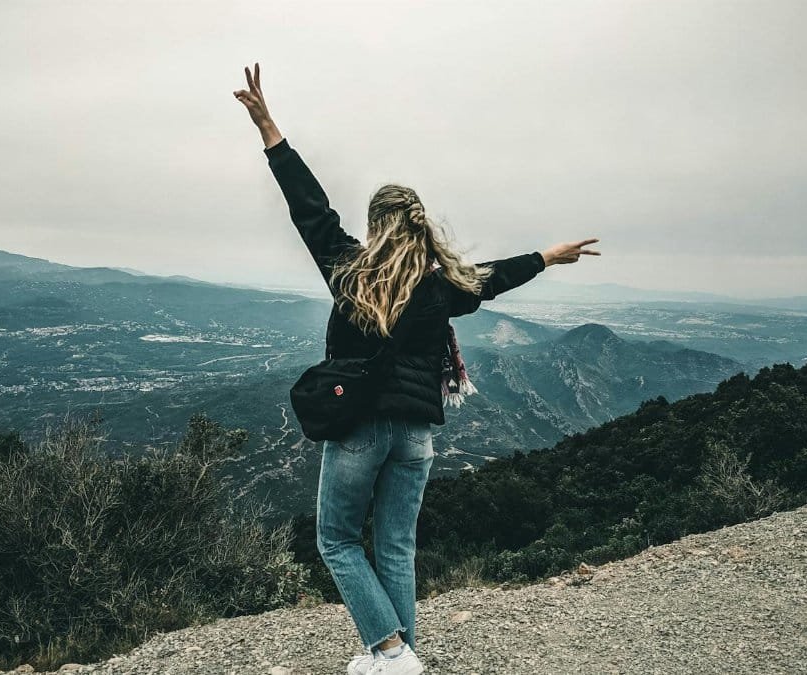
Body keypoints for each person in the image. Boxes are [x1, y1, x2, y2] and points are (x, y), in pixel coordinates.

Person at [234, 62, 600, 675]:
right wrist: (547, 256)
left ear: (377, 225)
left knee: (338, 540)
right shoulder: (440, 288)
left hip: (361, 426)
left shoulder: (349, 269)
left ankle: (391, 651)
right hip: (417, 432)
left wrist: (270, 128)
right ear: (418, 224)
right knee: (397, 547)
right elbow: (491, 278)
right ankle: (402, 661)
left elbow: (310, 209)